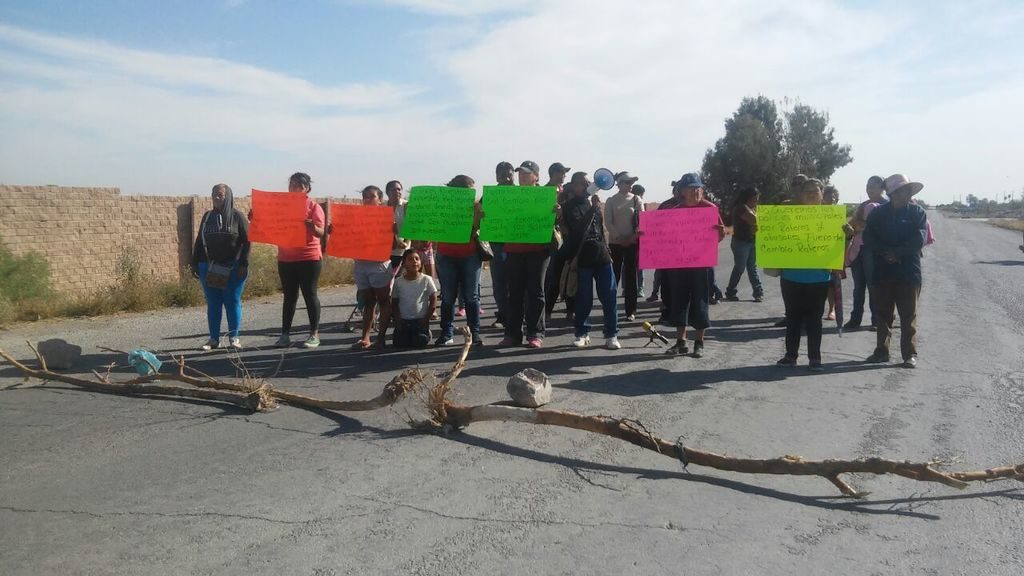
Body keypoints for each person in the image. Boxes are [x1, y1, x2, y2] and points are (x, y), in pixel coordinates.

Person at [863, 174, 928, 369]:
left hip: (909, 272)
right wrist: (885, 253)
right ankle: (881, 352)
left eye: (909, 190)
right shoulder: (877, 214)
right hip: (882, 271)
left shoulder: (917, 213)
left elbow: (919, 238)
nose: (907, 194)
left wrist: (898, 253)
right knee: (883, 315)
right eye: (902, 190)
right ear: (892, 193)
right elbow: (869, 237)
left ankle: (909, 355)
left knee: (909, 315)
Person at [658, 173, 725, 357]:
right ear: (682, 191)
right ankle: (681, 342)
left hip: (702, 265)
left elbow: (719, 237)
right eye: (691, 188)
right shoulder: (675, 211)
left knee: (701, 301)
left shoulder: (710, 208)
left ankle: (699, 342)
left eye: (698, 187)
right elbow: (665, 238)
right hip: (679, 265)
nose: (695, 191)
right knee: (678, 302)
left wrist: (720, 233)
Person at [776, 179, 837, 371]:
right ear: (800, 195)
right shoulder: (787, 215)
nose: (811, 194)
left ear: (822, 194)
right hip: (791, 276)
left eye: (815, 191)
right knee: (792, 318)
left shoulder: (831, 216)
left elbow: (839, 245)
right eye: (807, 191)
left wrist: (848, 235)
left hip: (819, 277)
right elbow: (773, 236)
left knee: (814, 320)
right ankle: (790, 355)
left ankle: (815, 358)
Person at [563, 171, 620, 350]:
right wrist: (593, 209)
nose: (587, 186)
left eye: (588, 183)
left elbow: (600, 230)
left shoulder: (592, 204)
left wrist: (607, 249)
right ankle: (582, 333)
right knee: (584, 298)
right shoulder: (569, 206)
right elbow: (577, 229)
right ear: (574, 186)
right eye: (583, 183)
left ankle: (611, 334)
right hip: (583, 257)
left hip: (601, 256)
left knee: (609, 297)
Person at [191, 184, 250, 351]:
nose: (216, 198)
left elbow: (247, 241)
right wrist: (195, 262)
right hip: (210, 267)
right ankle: (213, 339)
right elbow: (199, 241)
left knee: (232, 302)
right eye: (214, 194)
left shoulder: (237, 217)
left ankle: (234, 338)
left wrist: (244, 263)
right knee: (214, 303)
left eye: (220, 195)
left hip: (233, 268)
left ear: (228, 196)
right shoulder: (207, 216)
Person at [500, 161, 551, 348]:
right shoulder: (508, 195)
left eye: (527, 173)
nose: (522, 176)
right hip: (514, 250)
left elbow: (557, 219)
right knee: (514, 293)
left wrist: (557, 212)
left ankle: (535, 333)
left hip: (538, 251)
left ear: (536, 176)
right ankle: (512, 334)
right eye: (520, 173)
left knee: (536, 293)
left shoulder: (545, 195)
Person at [271, 172, 325, 348]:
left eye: (298, 186)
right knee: (289, 297)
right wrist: (256, 219)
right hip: (286, 258)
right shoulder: (281, 206)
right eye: (291, 185)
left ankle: (314, 334)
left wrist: (312, 226)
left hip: (309, 258)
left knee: (310, 295)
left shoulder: (314, 206)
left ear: (307, 188)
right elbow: (270, 224)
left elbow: (321, 232)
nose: (294, 189)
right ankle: (285, 335)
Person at [434, 174, 485, 346]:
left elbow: (480, 228)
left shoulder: (476, 207)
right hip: (446, 255)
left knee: (471, 296)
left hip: (470, 255)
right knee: (448, 297)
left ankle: (474, 333)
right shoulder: (442, 206)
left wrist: (478, 213)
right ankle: (447, 333)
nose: (472, 194)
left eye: (473, 191)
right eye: (468, 191)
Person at [350, 185, 395, 349]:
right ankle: (365, 337)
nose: (368, 199)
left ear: (380, 199)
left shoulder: (386, 218)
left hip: (379, 265)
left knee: (383, 301)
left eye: (372, 196)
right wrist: (336, 230)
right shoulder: (354, 217)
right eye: (365, 197)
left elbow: (396, 244)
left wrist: (393, 231)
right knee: (367, 302)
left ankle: (381, 336)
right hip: (361, 264)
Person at [845, 176, 885, 330]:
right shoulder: (862, 206)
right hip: (858, 250)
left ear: (882, 188)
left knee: (873, 286)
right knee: (858, 287)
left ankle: (877, 320)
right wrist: (850, 229)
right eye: (868, 186)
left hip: (873, 251)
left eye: (874, 186)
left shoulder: (887, 206)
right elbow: (853, 225)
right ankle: (855, 319)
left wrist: (863, 227)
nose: (870, 189)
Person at [605, 171, 644, 321]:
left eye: (630, 182)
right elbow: (608, 222)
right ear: (619, 184)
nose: (629, 185)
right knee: (613, 277)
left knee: (631, 277)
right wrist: (619, 237)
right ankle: (610, 308)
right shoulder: (611, 201)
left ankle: (631, 310)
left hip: (632, 243)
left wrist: (632, 238)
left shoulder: (636, 199)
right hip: (616, 244)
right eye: (626, 182)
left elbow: (642, 220)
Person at [391, 248, 437, 348]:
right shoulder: (398, 282)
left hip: (420, 321)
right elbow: (394, 302)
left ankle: (426, 333)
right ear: (403, 264)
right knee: (399, 343)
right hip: (404, 321)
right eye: (410, 259)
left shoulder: (426, 279)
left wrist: (426, 318)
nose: (414, 262)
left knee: (419, 342)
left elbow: (433, 300)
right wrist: (397, 320)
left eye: (417, 259)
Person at [724, 186, 763, 302]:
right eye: (754, 199)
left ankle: (758, 292)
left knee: (752, 267)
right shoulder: (740, 208)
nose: (756, 201)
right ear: (748, 198)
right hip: (740, 242)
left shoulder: (753, 208)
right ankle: (731, 291)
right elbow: (753, 220)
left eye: (757, 199)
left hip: (751, 241)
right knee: (740, 268)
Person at [488, 161, 515, 329]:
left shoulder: (523, 195)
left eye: (509, 174)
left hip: (518, 245)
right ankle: (503, 315)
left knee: (518, 283)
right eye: (502, 174)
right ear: (496, 176)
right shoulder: (490, 196)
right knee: (499, 283)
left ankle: (517, 314)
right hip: (497, 246)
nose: (506, 177)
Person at [386, 180, 409, 272]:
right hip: (385, 251)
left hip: (402, 251)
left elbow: (411, 226)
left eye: (399, 189)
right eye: (393, 190)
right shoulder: (382, 207)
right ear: (387, 192)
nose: (397, 192)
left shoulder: (406, 206)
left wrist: (406, 242)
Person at [632, 184, 648, 300]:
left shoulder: (640, 205)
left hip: (638, 239)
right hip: (632, 239)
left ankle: (638, 287)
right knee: (636, 265)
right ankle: (638, 287)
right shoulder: (632, 204)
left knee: (638, 264)